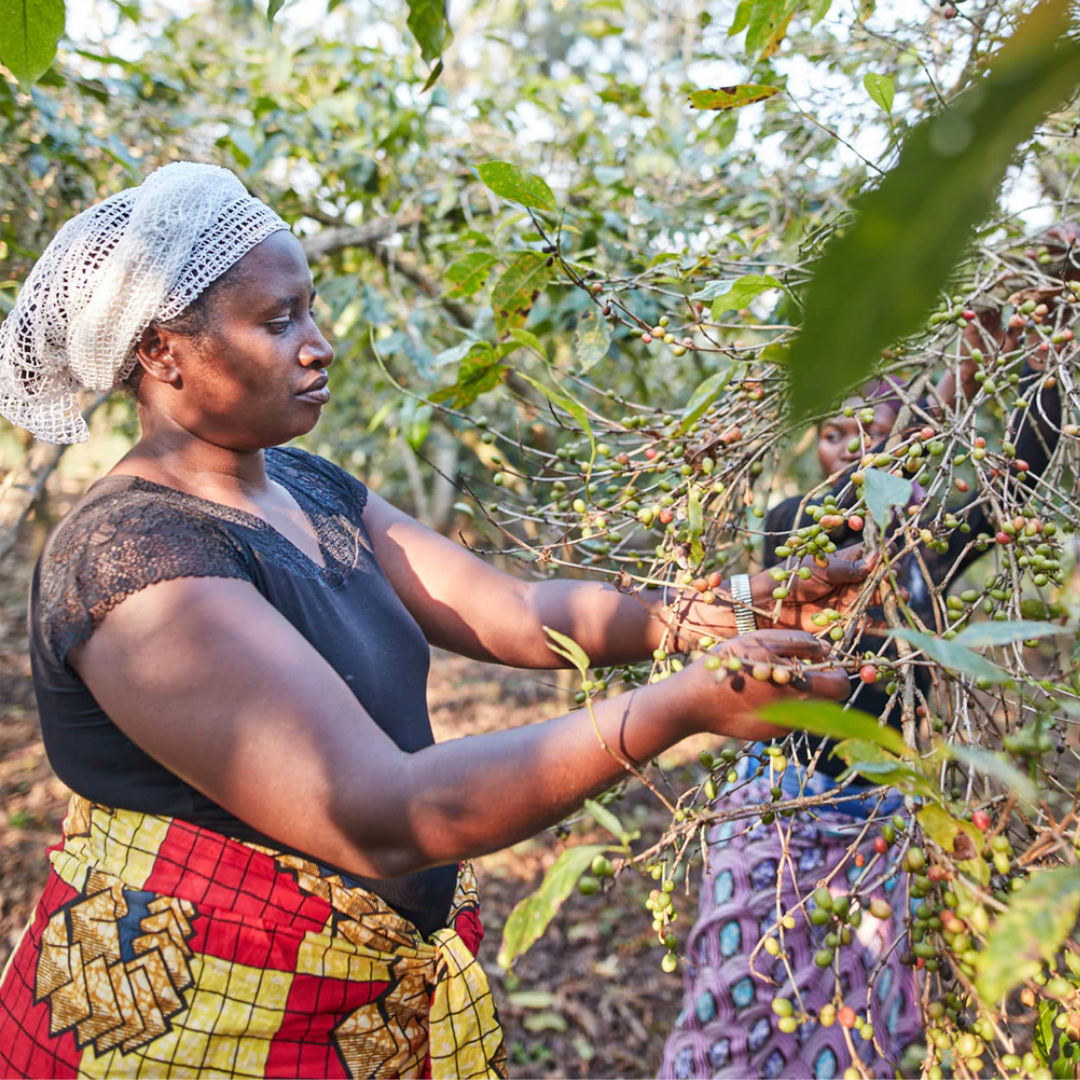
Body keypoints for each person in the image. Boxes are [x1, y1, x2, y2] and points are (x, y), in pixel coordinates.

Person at [0, 163, 871, 1080]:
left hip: (345, 1011)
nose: (319, 345)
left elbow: (513, 611)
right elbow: (379, 812)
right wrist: (676, 710)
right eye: (277, 320)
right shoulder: (130, 555)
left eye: (310, 310)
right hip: (187, 1029)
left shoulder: (307, 487)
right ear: (162, 353)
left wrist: (730, 608)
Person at [660, 297, 1064, 1080]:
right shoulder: (796, 532)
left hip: (879, 818)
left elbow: (1020, 480)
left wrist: (1045, 358)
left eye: (873, 433)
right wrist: (961, 373)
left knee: (855, 1016)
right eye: (838, 433)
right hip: (781, 806)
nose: (854, 450)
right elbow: (850, 504)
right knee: (745, 995)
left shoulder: (923, 559)